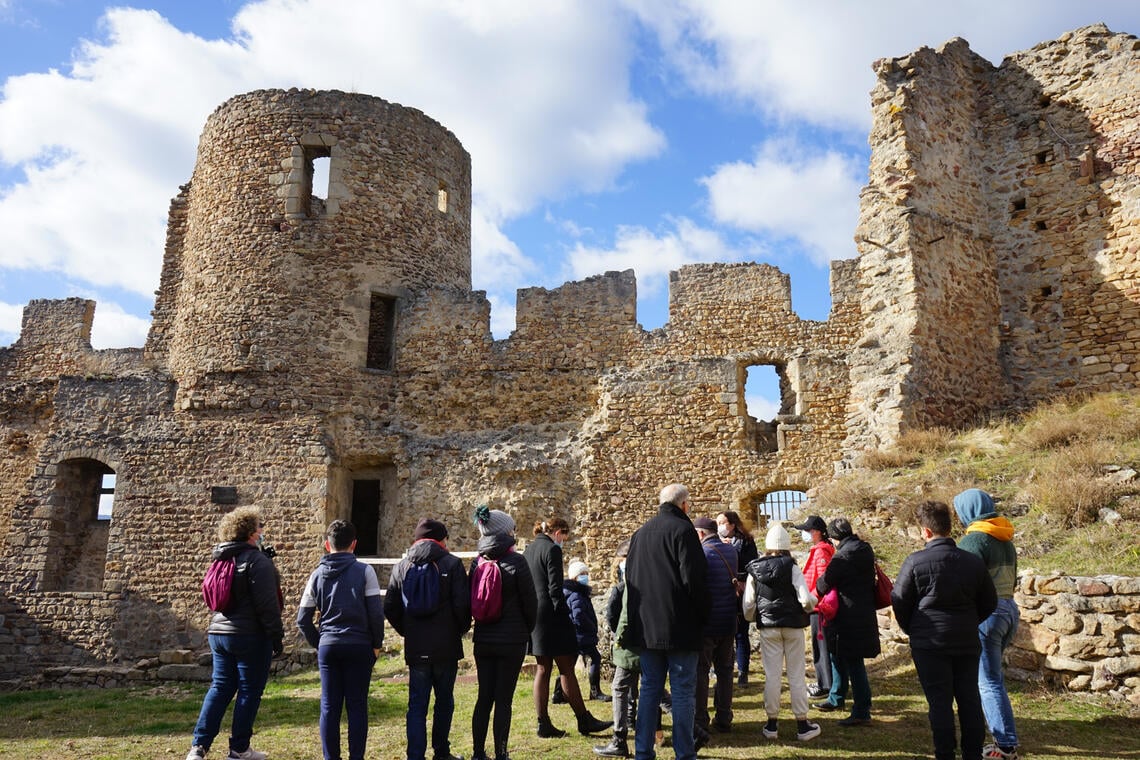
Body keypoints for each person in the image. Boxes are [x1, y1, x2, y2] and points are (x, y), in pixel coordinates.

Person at [893, 501, 997, 760]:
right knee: (969, 698)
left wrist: (913, 629)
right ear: (950, 527)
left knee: (939, 701)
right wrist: (970, 621)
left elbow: (899, 600)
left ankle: (945, 753)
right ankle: (972, 753)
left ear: (925, 532)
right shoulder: (972, 562)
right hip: (965, 639)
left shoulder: (915, 562)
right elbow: (989, 601)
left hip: (929, 643)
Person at [187, 507, 284, 760]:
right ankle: (239, 749)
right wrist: (276, 636)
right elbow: (267, 604)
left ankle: (199, 747)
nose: (263, 531)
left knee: (220, 687)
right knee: (249, 691)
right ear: (251, 533)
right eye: (260, 527)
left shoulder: (220, 558)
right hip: (249, 635)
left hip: (219, 632)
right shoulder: (256, 561)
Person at [625, 483, 710, 760]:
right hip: (680, 626)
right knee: (683, 691)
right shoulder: (684, 531)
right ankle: (684, 753)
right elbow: (694, 581)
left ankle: (643, 752)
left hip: (648, 628)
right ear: (684, 505)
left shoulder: (639, 534)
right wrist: (703, 617)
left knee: (650, 689)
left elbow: (631, 581)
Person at [297, 520, 386, 760]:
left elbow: (303, 619)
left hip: (329, 644)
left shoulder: (316, 575)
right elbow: (376, 613)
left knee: (329, 707)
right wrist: (376, 644)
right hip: (359, 645)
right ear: (354, 544)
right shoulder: (365, 571)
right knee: (357, 706)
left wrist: (321, 643)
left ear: (327, 545)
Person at [384, 518, 471, 760]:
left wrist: (407, 631)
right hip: (446, 646)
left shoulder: (402, 566)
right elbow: (462, 605)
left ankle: (415, 756)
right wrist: (458, 630)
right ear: (441, 540)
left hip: (417, 646)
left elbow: (390, 607)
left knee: (416, 706)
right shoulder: (452, 564)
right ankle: (442, 752)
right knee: (444, 702)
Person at [524, 518, 612, 738]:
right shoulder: (552, 550)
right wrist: (565, 617)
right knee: (566, 669)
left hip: (535, 616)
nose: (564, 540)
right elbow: (556, 589)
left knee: (543, 670)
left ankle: (543, 723)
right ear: (556, 532)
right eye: (564, 534)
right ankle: (584, 720)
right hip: (553, 617)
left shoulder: (528, 551)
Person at [954, 489, 1022, 760]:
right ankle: (1000, 737)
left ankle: (1005, 746)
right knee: (992, 678)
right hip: (1008, 609)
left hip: (987, 614)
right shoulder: (1004, 536)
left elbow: (962, 582)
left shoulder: (975, 540)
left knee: (988, 681)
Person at [469, 506, 538, 760]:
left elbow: (471, 600)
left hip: (483, 639)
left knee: (483, 698)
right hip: (511, 640)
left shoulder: (477, 562)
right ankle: (501, 754)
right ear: (504, 532)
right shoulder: (516, 561)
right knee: (504, 700)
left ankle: (478, 753)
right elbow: (531, 604)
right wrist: (524, 630)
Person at [743, 522, 822, 742]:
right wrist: (810, 606)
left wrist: (754, 619)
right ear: (787, 545)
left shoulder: (755, 569)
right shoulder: (791, 567)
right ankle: (802, 724)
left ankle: (771, 724)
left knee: (772, 675)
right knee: (796, 674)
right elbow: (806, 599)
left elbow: (748, 603)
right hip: (793, 625)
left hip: (768, 627)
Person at [814, 517, 880, 727]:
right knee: (838, 656)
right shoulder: (865, 549)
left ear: (834, 538)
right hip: (862, 612)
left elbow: (824, 583)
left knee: (853, 662)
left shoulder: (843, 556)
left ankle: (861, 710)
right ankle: (836, 697)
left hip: (846, 615)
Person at [694, 516, 737, 739]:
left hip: (708, 623)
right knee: (725, 670)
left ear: (700, 534)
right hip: (728, 620)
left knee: (701, 672)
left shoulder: (702, 553)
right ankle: (724, 717)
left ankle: (701, 719)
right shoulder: (731, 551)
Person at [594, 540, 638, 757]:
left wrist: (619, 638)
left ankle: (619, 739)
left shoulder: (626, 585)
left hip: (629, 643)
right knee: (653, 688)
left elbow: (619, 617)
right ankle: (692, 729)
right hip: (645, 642)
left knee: (620, 687)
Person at [793, 514, 835, 698]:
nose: (805, 534)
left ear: (816, 532)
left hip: (819, 607)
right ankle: (825, 682)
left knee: (822, 647)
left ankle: (825, 685)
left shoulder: (821, 551)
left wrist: (813, 598)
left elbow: (823, 579)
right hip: (818, 605)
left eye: (807, 530)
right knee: (821, 646)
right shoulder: (820, 549)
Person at [715, 510, 758, 687]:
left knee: (741, 633)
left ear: (732, 524)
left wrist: (732, 552)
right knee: (722, 634)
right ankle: (723, 670)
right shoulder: (714, 541)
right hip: (721, 592)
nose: (720, 527)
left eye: (722, 522)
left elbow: (751, 565)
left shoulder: (746, 542)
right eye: (717, 523)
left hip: (740, 591)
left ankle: (742, 672)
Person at [564, 559, 610, 702]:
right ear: (575, 577)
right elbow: (578, 615)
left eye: (586, 573)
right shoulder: (577, 594)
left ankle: (559, 693)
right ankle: (595, 691)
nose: (586, 576)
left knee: (568, 666)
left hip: (577, 635)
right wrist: (590, 626)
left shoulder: (575, 592)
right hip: (581, 634)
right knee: (595, 658)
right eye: (582, 574)